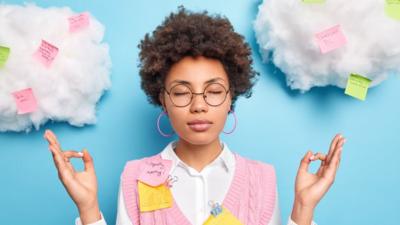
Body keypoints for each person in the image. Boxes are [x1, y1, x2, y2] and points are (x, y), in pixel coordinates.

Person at [44, 7, 346, 225]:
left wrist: (304, 208)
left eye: (213, 91)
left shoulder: (261, 178)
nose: (198, 105)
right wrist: (89, 208)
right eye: (181, 92)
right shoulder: (135, 175)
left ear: (231, 98)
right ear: (162, 99)